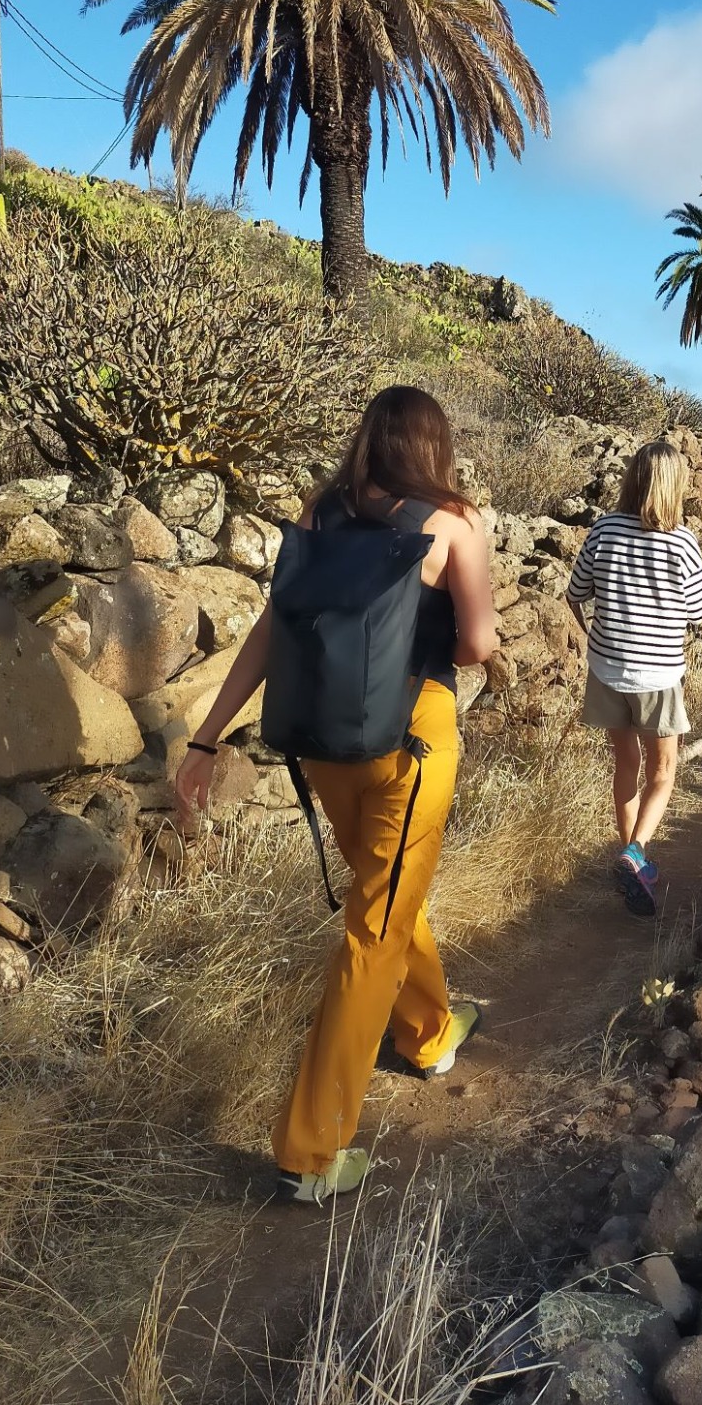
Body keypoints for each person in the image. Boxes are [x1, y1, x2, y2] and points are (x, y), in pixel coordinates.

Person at [174, 387, 499, 1206]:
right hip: (411, 741)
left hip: (325, 745)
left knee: (385, 895)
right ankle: (310, 1151)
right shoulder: (455, 522)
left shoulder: (321, 512)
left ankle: (428, 1032)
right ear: (434, 445)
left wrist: (206, 738)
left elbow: (273, 629)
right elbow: (474, 644)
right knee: (375, 928)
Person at [567, 441, 702, 919]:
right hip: (658, 674)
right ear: (675, 486)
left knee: (625, 763)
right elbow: (698, 610)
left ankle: (633, 860)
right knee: (663, 771)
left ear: (632, 478)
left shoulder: (604, 529)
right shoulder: (682, 542)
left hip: (608, 668)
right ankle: (636, 852)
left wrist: (594, 631)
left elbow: (576, 591)